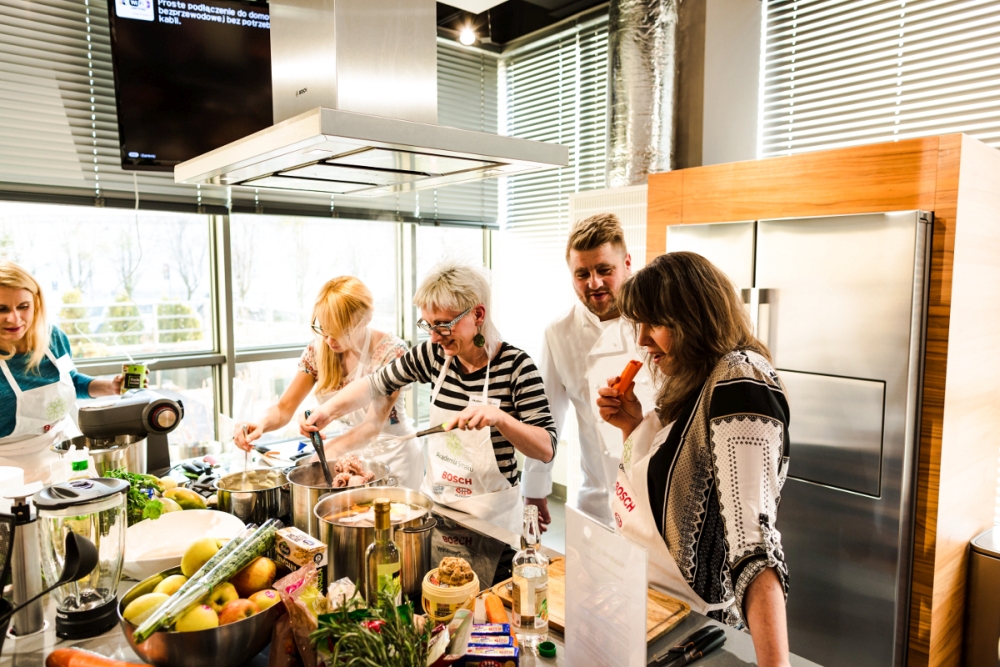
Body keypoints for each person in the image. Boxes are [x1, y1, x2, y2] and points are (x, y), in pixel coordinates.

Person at [597, 252, 791, 667]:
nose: (643, 340)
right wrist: (633, 426)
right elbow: (671, 492)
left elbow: (755, 549)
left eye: (657, 323)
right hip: (655, 611)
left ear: (696, 318)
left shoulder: (740, 378)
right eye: (640, 324)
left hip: (697, 631)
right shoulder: (696, 380)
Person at [302, 260, 557, 535]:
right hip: (438, 510)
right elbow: (374, 384)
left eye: (444, 326)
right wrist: (327, 412)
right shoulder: (434, 355)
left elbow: (546, 448)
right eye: (429, 325)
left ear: (478, 315)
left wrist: (500, 419)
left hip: (492, 520)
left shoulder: (517, 367)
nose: (435, 338)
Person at [521, 213, 656, 530]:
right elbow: (548, 416)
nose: (593, 283)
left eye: (604, 270)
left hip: (657, 499)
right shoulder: (559, 332)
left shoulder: (658, 323)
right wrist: (535, 489)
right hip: (596, 501)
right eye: (582, 274)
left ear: (627, 263)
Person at [234, 276, 421, 490]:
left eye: (341, 332)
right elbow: (284, 407)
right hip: (349, 462)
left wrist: (326, 453)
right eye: (324, 330)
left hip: (395, 459)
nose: (330, 341)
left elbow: (373, 425)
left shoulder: (391, 352)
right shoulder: (319, 351)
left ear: (366, 318)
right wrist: (261, 423)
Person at [0, 261, 126, 483]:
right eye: (1, 309)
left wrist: (110, 387)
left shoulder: (53, 339)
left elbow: (72, 381)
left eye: (23, 306)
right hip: (10, 471)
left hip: (67, 451)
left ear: (36, 304)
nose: (14, 318)